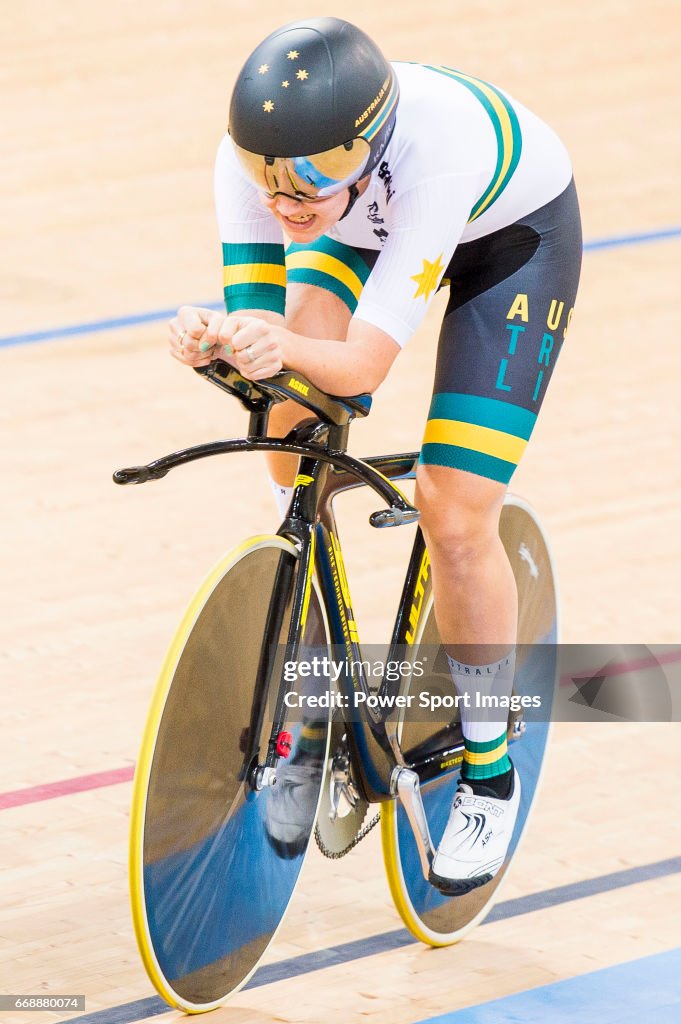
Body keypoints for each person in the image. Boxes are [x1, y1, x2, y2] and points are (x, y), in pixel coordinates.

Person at [169, 17, 582, 895]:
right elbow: (268, 342)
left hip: (510, 247)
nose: (286, 200)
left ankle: (488, 767)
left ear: (369, 139)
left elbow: (360, 366)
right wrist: (220, 338)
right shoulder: (268, 166)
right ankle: (313, 711)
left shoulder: (432, 158)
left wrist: (276, 347)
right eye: (268, 179)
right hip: (367, 228)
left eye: (312, 176)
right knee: (287, 445)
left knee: (455, 514)